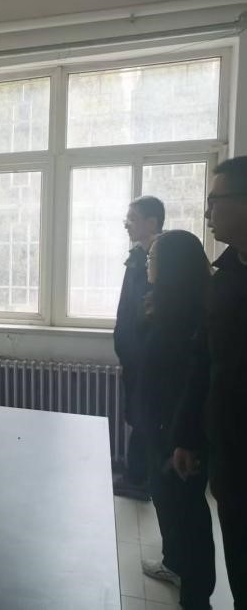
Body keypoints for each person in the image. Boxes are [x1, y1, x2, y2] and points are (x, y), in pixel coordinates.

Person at [173, 156, 247, 608]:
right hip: (231, 458)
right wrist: (187, 436)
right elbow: (204, 364)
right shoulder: (225, 280)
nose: (207, 213)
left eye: (215, 201)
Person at [133, 230, 215, 609]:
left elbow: (190, 381)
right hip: (160, 427)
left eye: (153, 259)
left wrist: (181, 437)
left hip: (179, 432)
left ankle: (196, 597)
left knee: (188, 513)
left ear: (173, 267)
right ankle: (175, 564)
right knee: (167, 500)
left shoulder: (194, 316)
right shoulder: (165, 305)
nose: (148, 264)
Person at [114, 195, 164, 501]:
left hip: (150, 357)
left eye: (133, 218)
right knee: (136, 413)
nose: (126, 224)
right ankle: (136, 474)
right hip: (133, 356)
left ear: (152, 222)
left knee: (147, 416)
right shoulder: (136, 257)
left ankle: (141, 478)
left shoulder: (164, 259)